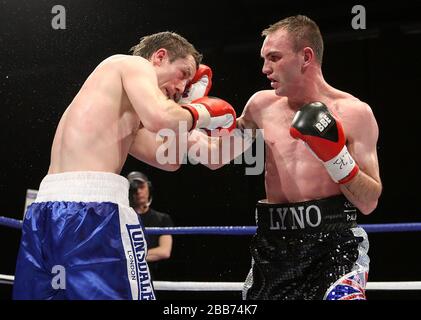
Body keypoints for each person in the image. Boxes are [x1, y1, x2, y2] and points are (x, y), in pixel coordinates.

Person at [12, 31, 236, 300]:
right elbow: (161, 117)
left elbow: (169, 159)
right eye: (183, 74)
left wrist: (186, 105)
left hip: (44, 215)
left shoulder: (117, 111)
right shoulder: (132, 64)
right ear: (159, 56)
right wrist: (199, 111)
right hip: (92, 212)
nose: (181, 88)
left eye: (188, 84)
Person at [187, 15, 382, 300]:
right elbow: (216, 156)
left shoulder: (355, 113)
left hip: (335, 246)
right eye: (264, 59)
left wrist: (335, 156)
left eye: (274, 58)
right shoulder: (261, 106)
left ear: (306, 56)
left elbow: (369, 202)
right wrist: (185, 116)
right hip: (274, 246)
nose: (265, 68)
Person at [127, 171, 174, 278]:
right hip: (126, 276)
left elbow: (164, 251)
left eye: (141, 187)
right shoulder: (121, 217)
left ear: (148, 188)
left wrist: (131, 257)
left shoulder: (162, 219)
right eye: (134, 189)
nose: (138, 191)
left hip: (152, 276)